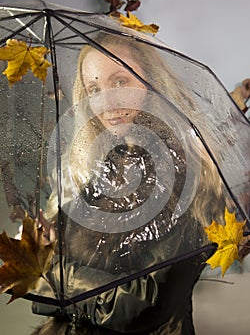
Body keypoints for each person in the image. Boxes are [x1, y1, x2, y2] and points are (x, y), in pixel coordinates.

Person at [31, 32, 231, 335]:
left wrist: (49, 275)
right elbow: (47, 286)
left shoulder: (185, 176)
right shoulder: (99, 168)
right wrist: (47, 244)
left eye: (120, 82)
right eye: (94, 88)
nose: (107, 102)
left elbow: (142, 305)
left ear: (151, 84)